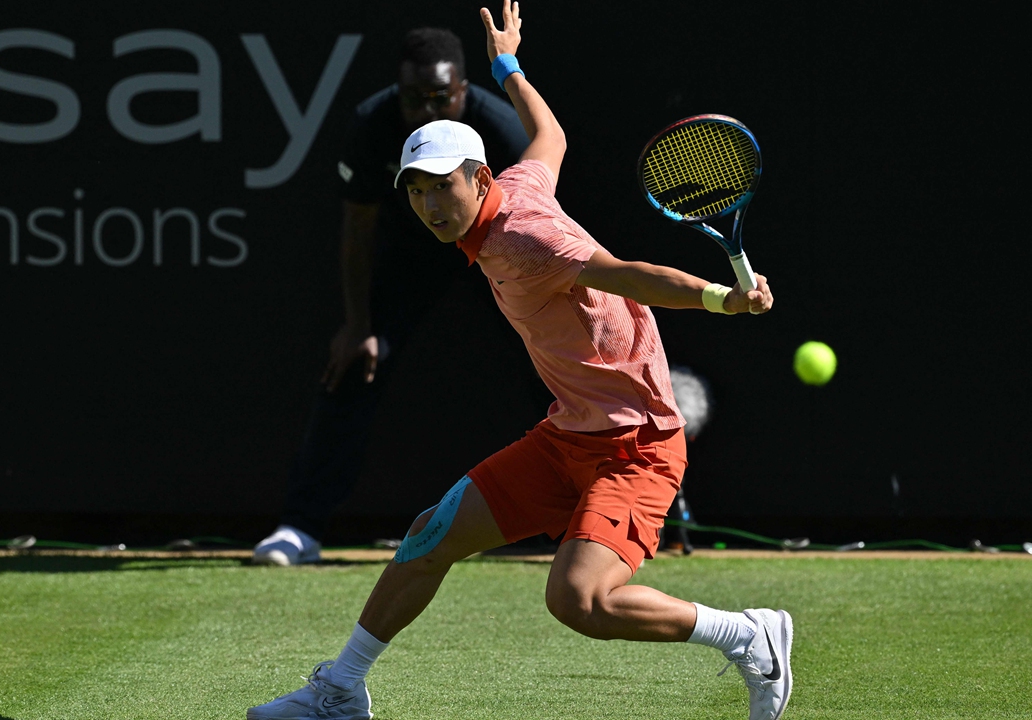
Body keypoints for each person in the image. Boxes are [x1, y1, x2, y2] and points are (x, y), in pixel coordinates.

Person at [247, 3, 792, 719]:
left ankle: (749, 636)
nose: (431, 205)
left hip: (637, 445)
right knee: (428, 537)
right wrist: (507, 64)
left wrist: (725, 299)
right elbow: (550, 134)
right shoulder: (520, 184)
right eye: (416, 191)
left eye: (443, 186)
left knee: (579, 599)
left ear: (477, 177)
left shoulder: (526, 238)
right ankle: (340, 689)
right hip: (569, 434)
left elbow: (629, 274)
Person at [253, 27, 531, 566]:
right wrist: (359, 324)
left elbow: (538, 214)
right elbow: (357, 227)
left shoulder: (500, 128)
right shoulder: (372, 124)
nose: (426, 111)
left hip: (497, 251)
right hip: (408, 259)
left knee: (555, 362)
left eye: (439, 99)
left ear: (463, 91)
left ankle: (591, 516)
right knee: (356, 363)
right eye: (413, 99)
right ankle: (300, 528)